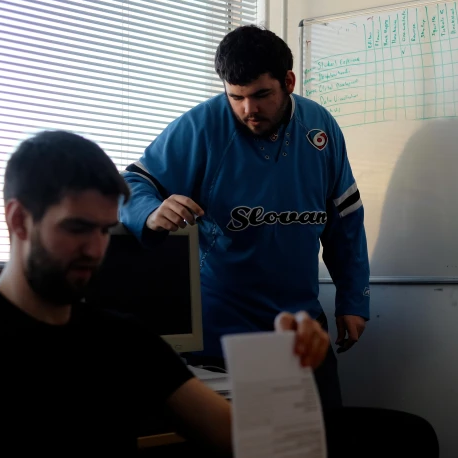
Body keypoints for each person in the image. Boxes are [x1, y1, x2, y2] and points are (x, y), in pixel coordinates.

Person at [0, 130, 329, 457]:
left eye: (104, 230)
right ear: (18, 220)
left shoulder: (124, 342)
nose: (96, 249)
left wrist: (285, 363)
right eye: (77, 227)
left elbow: (255, 441)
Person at [119, 24, 370, 409]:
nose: (248, 110)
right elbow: (131, 182)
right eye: (235, 97)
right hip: (224, 334)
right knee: (249, 448)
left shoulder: (320, 128)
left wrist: (353, 301)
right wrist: (151, 211)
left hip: (300, 329)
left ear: (288, 81)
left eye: (261, 95)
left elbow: (345, 221)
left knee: (320, 445)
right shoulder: (202, 125)